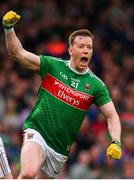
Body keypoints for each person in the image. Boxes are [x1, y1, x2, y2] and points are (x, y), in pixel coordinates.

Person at [2, 11, 122, 179]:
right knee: (28, 173)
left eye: (89, 47)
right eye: (81, 46)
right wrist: (9, 28)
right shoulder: (53, 66)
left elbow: (112, 116)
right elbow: (18, 53)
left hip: (59, 149)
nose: (86, 50)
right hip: (37, 131)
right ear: (71, 50)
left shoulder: (96, 85)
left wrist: (116, 141)